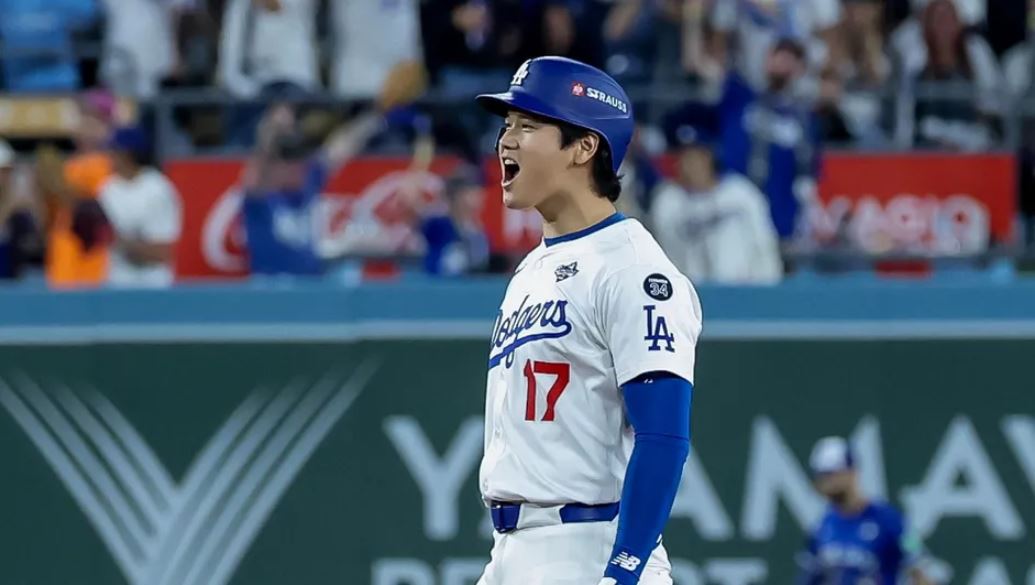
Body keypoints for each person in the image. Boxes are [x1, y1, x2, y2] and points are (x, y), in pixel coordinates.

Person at [474, 56, 702, 585]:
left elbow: (664, 436)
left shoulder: (634, 268)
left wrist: (623, 570)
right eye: (507, 125)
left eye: (528, 125)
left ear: (584, 147)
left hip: (588, 545)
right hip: (512, 549)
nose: (506, 141)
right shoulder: (532, 268)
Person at [239, 103, 383, 277]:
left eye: (300, 159)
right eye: (288, 161)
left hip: (309, 286)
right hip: (271, 286)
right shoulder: (260, 200)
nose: (297, 166)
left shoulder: (308, 182)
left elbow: (341, 147)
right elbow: (257, 171)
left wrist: (376, 115)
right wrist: (271, 131)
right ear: (275, 167)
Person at [650, 124, 783, 285]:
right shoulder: (667, 200)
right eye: (683, 157)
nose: (690, 164)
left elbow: (764, 244)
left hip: (744, 289)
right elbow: (664, 253)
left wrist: (769, 288)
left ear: (710, 157)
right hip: (691, 291)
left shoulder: (742, 193)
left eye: (697, 156)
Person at [800, 437, 935, 585]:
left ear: (851, 472)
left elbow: (919, 569)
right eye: (820, 476)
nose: (825, 482)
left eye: (830, 474)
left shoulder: (891, 520)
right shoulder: (822, 526)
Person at [37, 90, 117, 289]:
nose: (85, 126)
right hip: (63, 257)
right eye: (82, 117)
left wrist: (56, 184)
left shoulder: (108, 165)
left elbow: (90, 208)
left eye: (94, 119)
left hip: (90, 258)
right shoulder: (69, 165)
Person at [98, 127, 182, 288]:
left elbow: (162, 253)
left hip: (152, 284)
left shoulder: (157, 188)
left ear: (127, 154)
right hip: (116, 283)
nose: (108, 157)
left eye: (113, 151)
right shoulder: (107, 189)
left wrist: (121, 243)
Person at [0, 140, 44, 281]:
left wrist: (35, 200)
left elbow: (38, 238)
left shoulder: (17, 206)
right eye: (3, 171)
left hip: (11, 277)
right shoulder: (11, 203)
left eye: (8, 171)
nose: (6, 176)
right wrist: (9, 206)